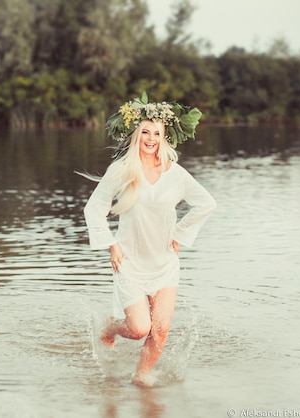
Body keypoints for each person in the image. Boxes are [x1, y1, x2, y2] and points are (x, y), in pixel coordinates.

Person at [81, 92, 217, 386]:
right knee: (140, 328)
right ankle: (112, 327)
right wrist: (111, 245)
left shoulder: (175, 174)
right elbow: (93, 208)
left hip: (165, 263)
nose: (151, 138)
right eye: (145, 131)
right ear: (135, 134)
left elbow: (207, 204)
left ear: (165, 137)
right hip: (130, 262)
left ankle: (141, 377)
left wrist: (181, 233)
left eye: (157, 133)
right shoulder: (121, 170)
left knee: (161, 329)